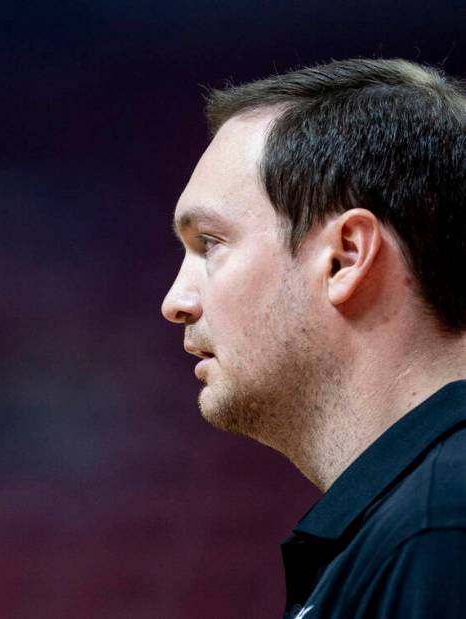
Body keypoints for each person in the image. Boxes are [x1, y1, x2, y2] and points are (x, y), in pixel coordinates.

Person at [161, 58, 466, 618]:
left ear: (345, 256)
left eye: (210, 243)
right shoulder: (414, 525)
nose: (175, 302)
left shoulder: (438, 532)